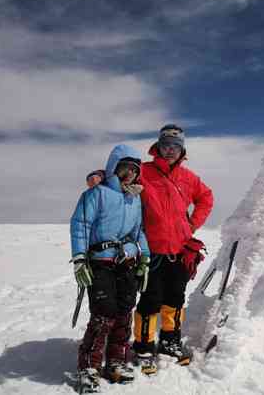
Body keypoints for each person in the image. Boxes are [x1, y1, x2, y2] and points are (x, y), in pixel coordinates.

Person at [86, 124, 214, 375]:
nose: (170, 151)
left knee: (175, 299)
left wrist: (191, 224)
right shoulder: (144, 171)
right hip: (150, 251)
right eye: (165, 145)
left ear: (182, 150)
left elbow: (206, 198)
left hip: (179, 250)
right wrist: (99, 175)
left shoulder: (189, 178)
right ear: (158, 147)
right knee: (150, 300)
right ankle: (143, 347)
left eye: (175, 147)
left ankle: (169, 343)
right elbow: (120, 173)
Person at [70, 144, 151, 392]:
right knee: (104, 313)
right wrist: (80, 258)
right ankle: (89, 367)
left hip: (126, 261)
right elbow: (80, 224)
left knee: (125, 310)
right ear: (114, 168)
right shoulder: (97, 193)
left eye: (134, 170)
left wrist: (144, 259)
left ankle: (115, 361)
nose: (130, 174)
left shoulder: (135, 198)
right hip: (100, 262)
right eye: (125, 168)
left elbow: (139, 232)